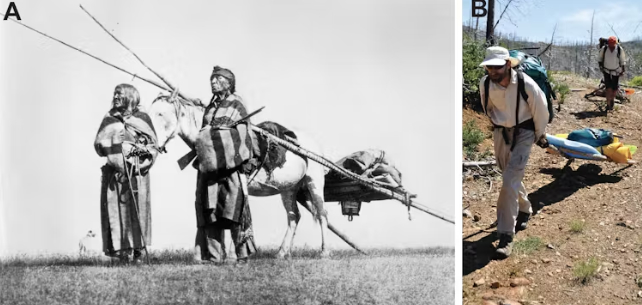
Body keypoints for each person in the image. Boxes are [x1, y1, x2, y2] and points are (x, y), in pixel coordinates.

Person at [478, 46, 550, 259]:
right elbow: (487, 108)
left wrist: (540, 134)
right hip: (501, 131)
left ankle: (505, 235)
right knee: (508, 175)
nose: (493, 71)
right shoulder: (485, 84)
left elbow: (541, 109)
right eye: (490, 67)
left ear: (508, 64)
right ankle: (525, 209)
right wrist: (498, 125)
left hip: (525, 132)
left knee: (509, 180)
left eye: (497, 67)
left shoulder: (525, 84)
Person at [193, 66, 257, 264]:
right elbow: (203, 137)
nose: (213, 82)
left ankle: (242, 256)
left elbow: (243, 132)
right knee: (210, 213)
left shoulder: (237, 104)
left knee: (234, 211)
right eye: (212, 79)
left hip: (232, 167)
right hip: (210, 169)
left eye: (218, 79)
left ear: (228, 83)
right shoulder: (210, 108)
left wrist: (219, 135)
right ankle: (214, 257)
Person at [94, 83, 159, 263]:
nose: (115, 97)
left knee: (138, 211)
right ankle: (123, 252)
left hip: (137, 174)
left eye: (119, 94)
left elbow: (152, 147)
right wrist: (116, 141)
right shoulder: (109, 118)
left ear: (130, 96)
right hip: (115, 175)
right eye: (114, 94)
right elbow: (99, 145)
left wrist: (132, 150)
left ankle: (138, 251)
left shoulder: (142, 118)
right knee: (117, 213)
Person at [598, 36, 627, 111]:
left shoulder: (619, 49)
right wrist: (601, 67)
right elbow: (600, 59)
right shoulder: (604, 49)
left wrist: (622, 70)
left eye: (613, 43)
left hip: (616, 71)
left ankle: (612, 100)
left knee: (614, 89)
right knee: (608, 88)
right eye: (610, 43)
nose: (611, 45)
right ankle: (608, 104)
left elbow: (622, 60)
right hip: (606, 70)